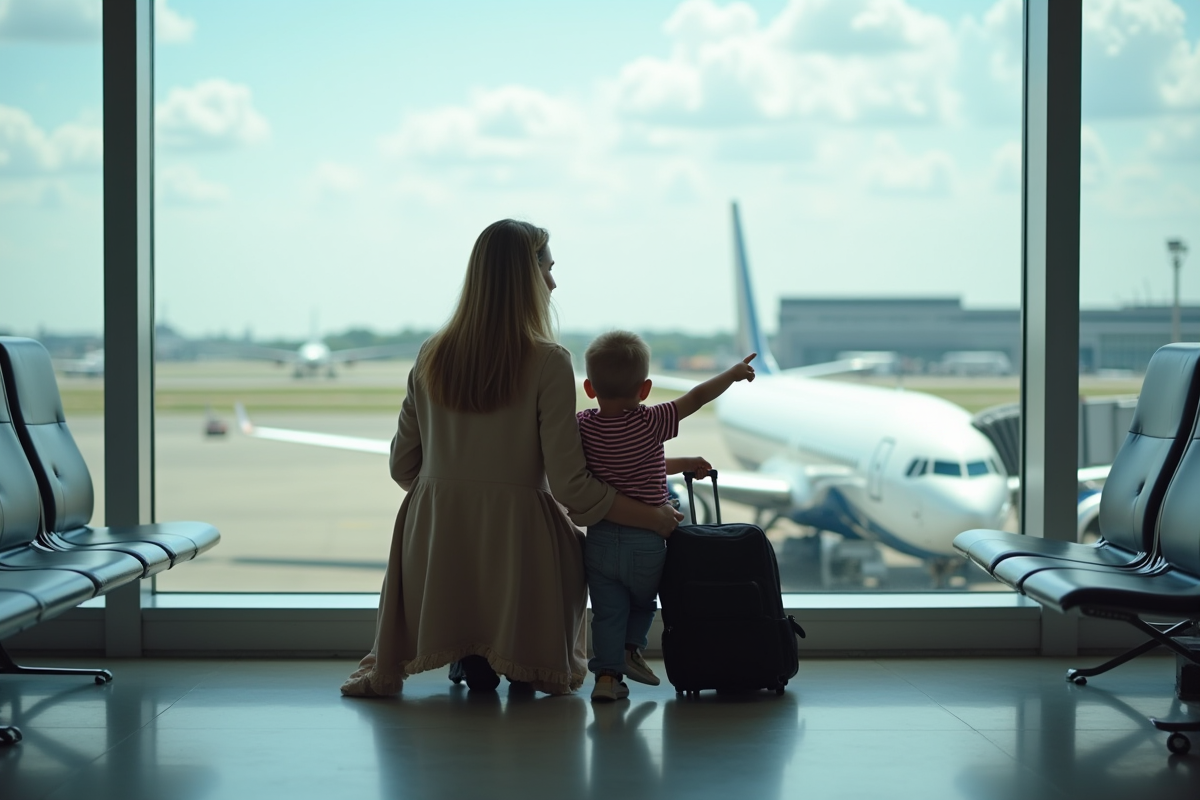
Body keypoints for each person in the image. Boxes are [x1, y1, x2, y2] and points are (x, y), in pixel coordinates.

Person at [340, 220, 682, 698]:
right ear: (528, 277)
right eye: (548, 269)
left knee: (462, 541)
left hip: (436, 542)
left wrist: (451, 491)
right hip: (517, 547)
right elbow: (570, 486)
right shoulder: (549, 361)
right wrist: (653, 516)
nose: (554, 283)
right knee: (565, 548)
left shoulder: (430, 354)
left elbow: (402, 467)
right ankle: (517, 650)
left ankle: (470, 649)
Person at [577, 330, 756, 701]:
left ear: (590, 388)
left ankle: (607, 679)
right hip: (647, 540)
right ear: (645, 390)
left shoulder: (584, 426)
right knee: (642, 602)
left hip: (600, 537)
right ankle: (630, 649)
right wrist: (732, 374)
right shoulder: (652, 421)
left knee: (608, 611)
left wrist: (680, 464)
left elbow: (624, 467)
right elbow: (697, 397)